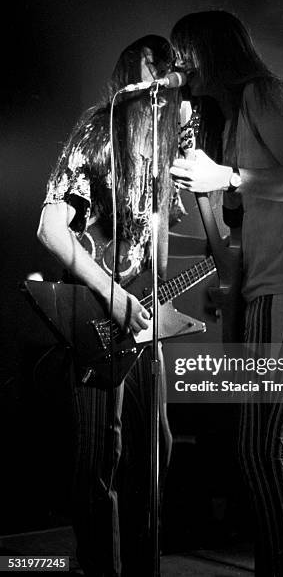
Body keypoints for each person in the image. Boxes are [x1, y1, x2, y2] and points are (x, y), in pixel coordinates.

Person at [170, 10, 283, 577]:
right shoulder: (237, 116)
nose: (180, 67)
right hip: (267, 286)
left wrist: (232, 178)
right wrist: (207, 190)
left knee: (265, 448)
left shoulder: (266, 94)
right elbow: (232, 238)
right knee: (273, 448)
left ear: (210, 49)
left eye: (184, 52)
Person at [37, 35, 183, 576]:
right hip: (99, 309)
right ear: (143, 68)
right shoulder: (100, 127)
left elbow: (160, 251)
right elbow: (51, 229)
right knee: (103, 458)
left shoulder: (164, 151)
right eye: (163, 65)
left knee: (155, 452)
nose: (172, 77)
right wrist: (115, 295)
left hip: (140, 318)